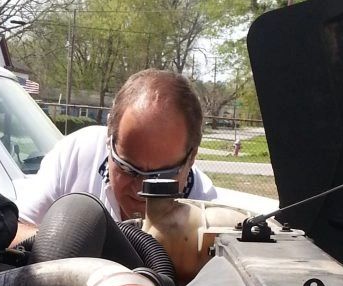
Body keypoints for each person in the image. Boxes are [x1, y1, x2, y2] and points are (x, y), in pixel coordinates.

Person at [16, 69, 218, 232]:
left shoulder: (205, 210)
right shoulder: (76, 155)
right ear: (109, 142)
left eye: (160, 178)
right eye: (127, 169)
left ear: (191, 159)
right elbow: (15, 230)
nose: (141, 191)